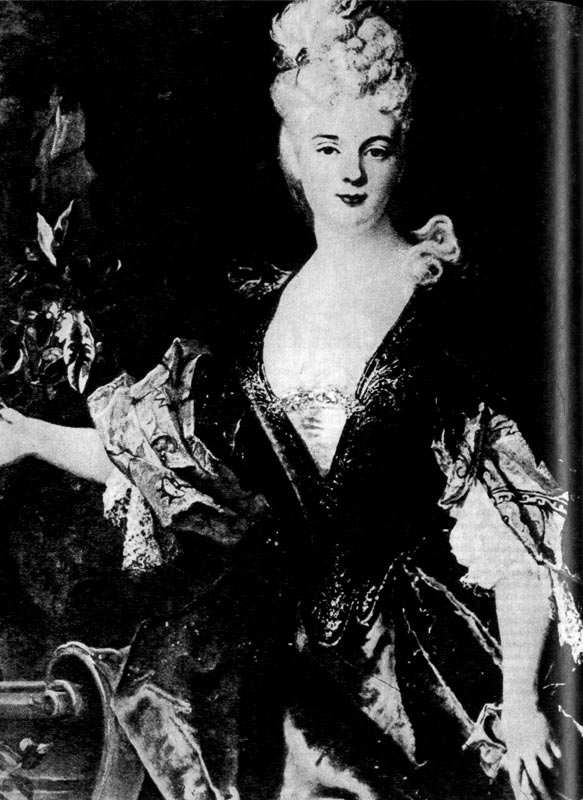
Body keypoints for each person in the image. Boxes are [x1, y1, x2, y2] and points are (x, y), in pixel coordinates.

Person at [0, 1, 580, 798]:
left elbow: (512, 527)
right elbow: (162, 455)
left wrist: (515, 702)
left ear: (400, 155)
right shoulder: (256, 322)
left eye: (374, 149)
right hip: (281, 671)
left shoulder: (439, 313)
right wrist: (34, 434)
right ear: (295, 157)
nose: (351, 174)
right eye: (327, 147)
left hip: (427, 670)